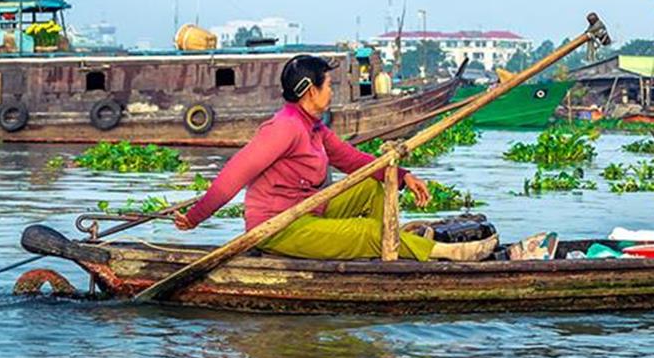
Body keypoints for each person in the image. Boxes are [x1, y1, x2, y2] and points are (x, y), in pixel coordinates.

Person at [175, 54, 496, 261]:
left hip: (310, 213)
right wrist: (195, 217)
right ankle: (444, 253)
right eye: (328, 85)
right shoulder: (283, 128)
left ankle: (390, 251)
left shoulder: (312, 127)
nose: (333, 91)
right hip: (278, 228)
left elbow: (355, 161)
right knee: (368, 232)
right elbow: (235, 175)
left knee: (373, 187)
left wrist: (403, 177)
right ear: (309, 91)